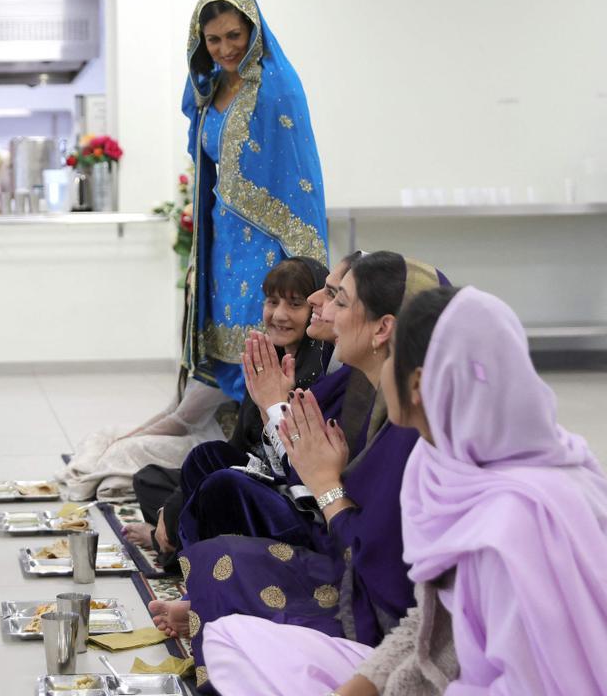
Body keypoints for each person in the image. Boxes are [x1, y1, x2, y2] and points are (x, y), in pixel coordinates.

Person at [192, 287, 607, 695]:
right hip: (419, 664)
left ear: (418, 382)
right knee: (229, 638)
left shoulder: (515, 522)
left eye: (392, 356)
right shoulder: (441, 462)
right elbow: (430, 629)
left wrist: (325, 486)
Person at [151, 254, 449, 680]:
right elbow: (298, 471)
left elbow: (377, 567)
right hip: (337, 550)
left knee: (226, 558)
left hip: (375, 609)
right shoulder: (368, 388)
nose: (319, 305)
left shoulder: (411, 427)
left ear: (384, 329)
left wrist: (322, 476)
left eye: (337, 299)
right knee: (215, 486)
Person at [122, 256, 330, 564]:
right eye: (272, 302)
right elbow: (236, 446)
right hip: (249, 474)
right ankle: (176, 527)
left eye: (295, 304)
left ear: (315, 308)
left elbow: (298, 473)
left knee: (214, 482)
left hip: (286, 498)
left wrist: (273, 406)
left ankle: (167, 537)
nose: (279, 315)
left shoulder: (322, 377)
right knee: (153, 478)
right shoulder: (266, 362)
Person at [182, 0, 328, 403]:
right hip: (222, 239)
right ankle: (227, 422)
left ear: (253, 31)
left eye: (234, 35)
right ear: (200, 42)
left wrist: (305, 260)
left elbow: (301, 176)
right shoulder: (206, 92)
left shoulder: (276, 90)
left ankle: (263, 424)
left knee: (263, 335)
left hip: (269, 241)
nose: (225, 48)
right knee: (225, 338)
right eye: (214, 39)